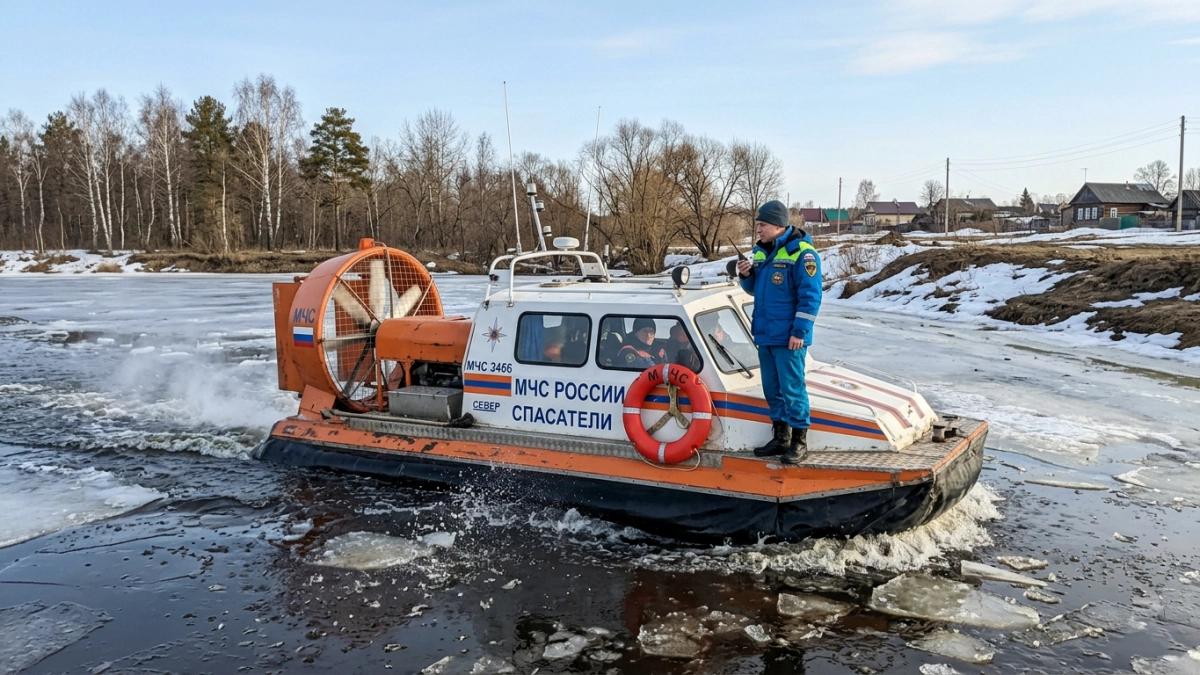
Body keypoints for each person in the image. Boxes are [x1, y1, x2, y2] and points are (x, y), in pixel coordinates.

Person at [736, 199, 822, 464]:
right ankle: (780, 436)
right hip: (766, 334)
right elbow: (755, 290)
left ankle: (799, 442)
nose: (758, 229)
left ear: (776, 225)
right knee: (772, 388)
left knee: (792, 388)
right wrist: (746, 275)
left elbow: (810, 297)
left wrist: (800, 331)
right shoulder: (761, 252)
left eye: (761, 224)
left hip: (789, 337)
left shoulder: (803, 254)